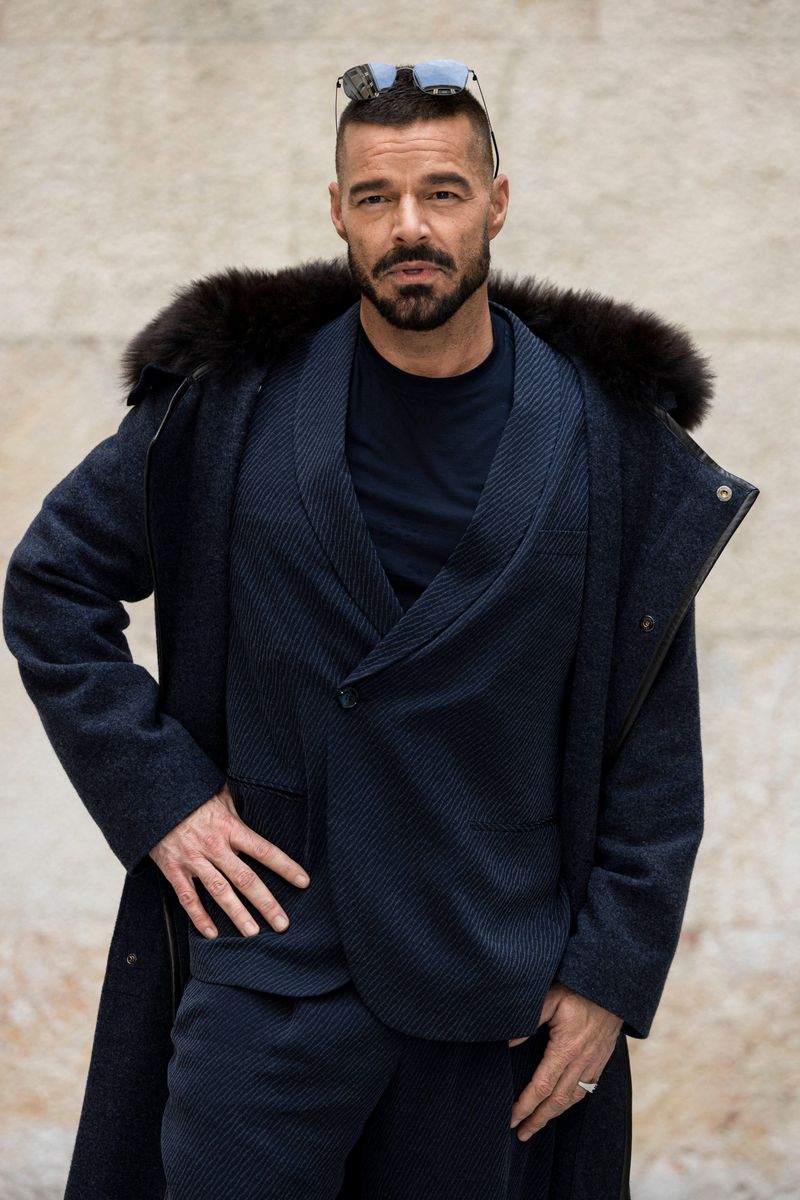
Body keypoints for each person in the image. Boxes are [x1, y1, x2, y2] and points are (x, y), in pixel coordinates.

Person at [2, 61, 759, 1200]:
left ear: (496, 203)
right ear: (337, 212)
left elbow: (651, 741)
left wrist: (607, 976)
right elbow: (52, 587)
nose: (410, 227)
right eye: (375, 198)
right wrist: (161, 799)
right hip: (263, 980)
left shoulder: (609, 444)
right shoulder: (231, 402)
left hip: (490, 993)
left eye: (443, 193)